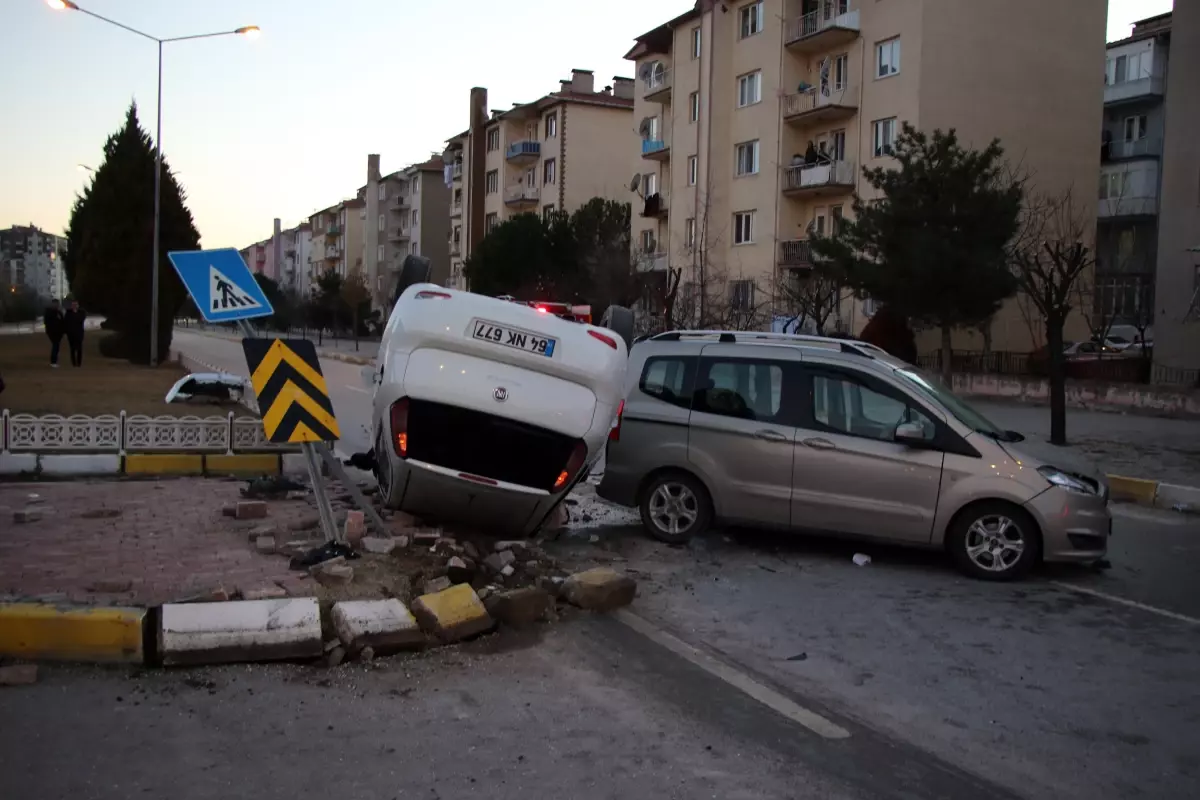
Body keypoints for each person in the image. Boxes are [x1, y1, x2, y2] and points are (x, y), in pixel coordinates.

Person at [63, 299, 87, 368]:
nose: (74, 306)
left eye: (76, 304)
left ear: (78, 305)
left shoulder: (81, 313)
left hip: (79, 333)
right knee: (72, 349)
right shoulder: (68, 313)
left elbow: (81, 319)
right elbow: (66, 322)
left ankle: (79, 363)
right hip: (71, 334)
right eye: (73, 305)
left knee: (79, 348)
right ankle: (74, 363)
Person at [43, 299, 65, 368]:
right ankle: (53, 361)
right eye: (56, 304)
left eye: (58, 304)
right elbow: (46, 322)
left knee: (56, 346)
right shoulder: (49, 312)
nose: (57, 305)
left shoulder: (59, 312)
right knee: (55, 345)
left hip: (58, 332)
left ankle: (54, 360)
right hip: (52, 332)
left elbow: (62, 321)